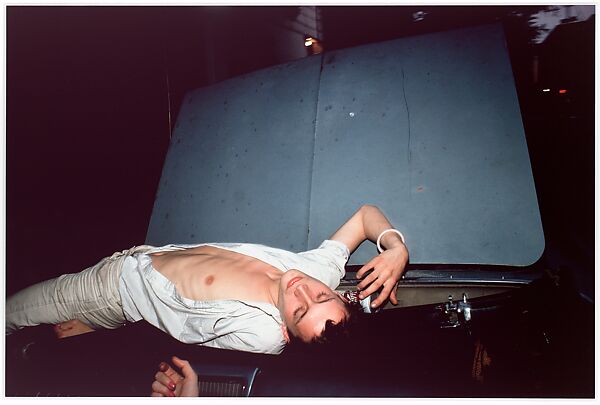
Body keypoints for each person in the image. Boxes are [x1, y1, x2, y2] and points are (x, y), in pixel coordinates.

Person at [6, 204, 409, 355]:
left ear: (285, 332)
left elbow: (184, 334)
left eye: (300, 309)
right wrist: (395, 248)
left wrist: (104, 313)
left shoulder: (259, 333)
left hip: (110, 289)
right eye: (322, 295)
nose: (301, 288)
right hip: (142, 257)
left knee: (12, 311)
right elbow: (364, 216)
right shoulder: (318, 271)